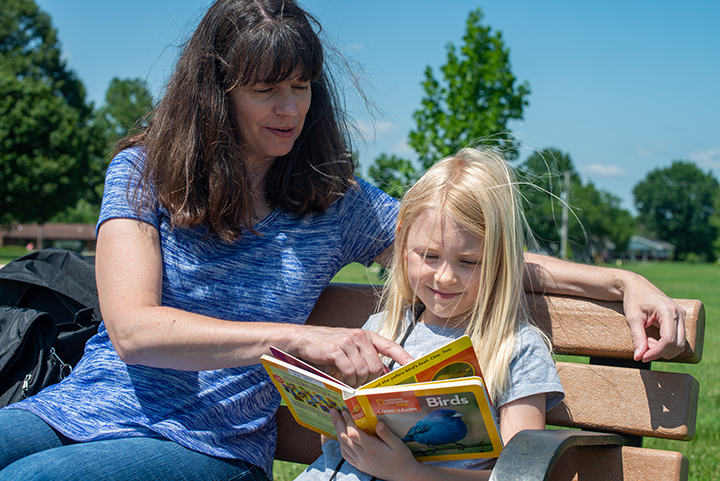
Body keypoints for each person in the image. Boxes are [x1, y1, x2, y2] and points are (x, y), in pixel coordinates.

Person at [0, 1, 684, 480]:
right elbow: (135, 331)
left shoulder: (333, 202)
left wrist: (620, 281)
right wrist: (295, 338)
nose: (291, 109)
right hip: (78, 407)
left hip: (208, 447)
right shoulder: (143, 171)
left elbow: (461, 246)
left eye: (301, 87)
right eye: (267, 89)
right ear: (217, 92)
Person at [295, 148, 564, 481]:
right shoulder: (382, 329)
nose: (445, 277)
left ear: (500, 261)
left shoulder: (515, 349)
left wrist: (411, 473)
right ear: (403, 243)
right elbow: (332, 446)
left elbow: (517, 477)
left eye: (468, 261)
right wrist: (340, 405)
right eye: (430, 256)